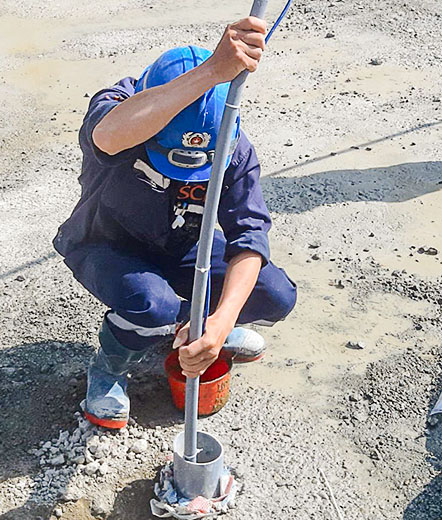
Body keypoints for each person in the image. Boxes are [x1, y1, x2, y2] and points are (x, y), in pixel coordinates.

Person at [53, 17, 297, 429]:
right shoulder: (122, 108)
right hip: (106, 246)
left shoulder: (232, 146)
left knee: (275, 293)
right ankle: (111, 366)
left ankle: (195, 328)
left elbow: (249, 238)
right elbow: (108, 135)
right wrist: (213, 72)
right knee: (153, 305)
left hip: (183, 248)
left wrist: (219, 323)